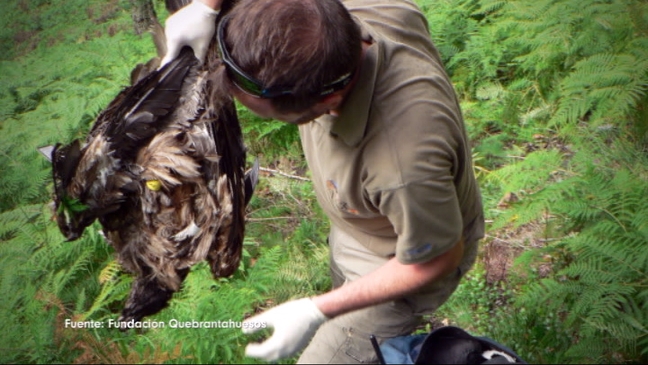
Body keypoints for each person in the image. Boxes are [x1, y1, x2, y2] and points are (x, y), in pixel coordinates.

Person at [162, 0, 485, 363]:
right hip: (358, 221)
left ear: (328, 101)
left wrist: (317, 309)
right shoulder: (341, 16)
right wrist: (207, 7)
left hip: (401, 256)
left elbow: (437, 257)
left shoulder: (400, 165)